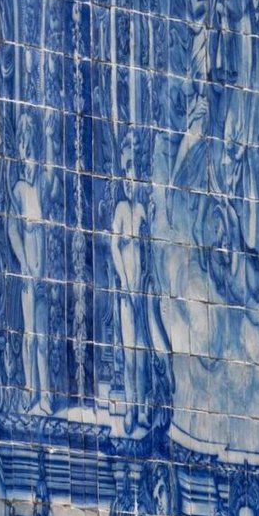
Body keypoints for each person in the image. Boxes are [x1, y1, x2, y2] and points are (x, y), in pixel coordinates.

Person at [110, 133, 169, 434]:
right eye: (127, 171)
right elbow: (114, 247)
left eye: (134, 170)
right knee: (130, 352)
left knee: (142, 353)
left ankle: (143, 408)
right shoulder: (121, 211)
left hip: (142, 294)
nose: (130, 178)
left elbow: (149, 252)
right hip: (126, 294)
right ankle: (131, 408)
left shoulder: (143, 211)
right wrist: (124, 282)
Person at [9, 116, 52, 412]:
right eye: (24, 146)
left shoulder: (42, 186)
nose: (28, 153)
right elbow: (14, 229)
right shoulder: (19, 190)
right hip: (28, 271)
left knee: (43, 336)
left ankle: (46, 393)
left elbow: (53, 178)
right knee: (30, 336)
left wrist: (47, 135)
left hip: (43, 273)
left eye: (31, 145)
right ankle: (30, 390)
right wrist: (24, 264)